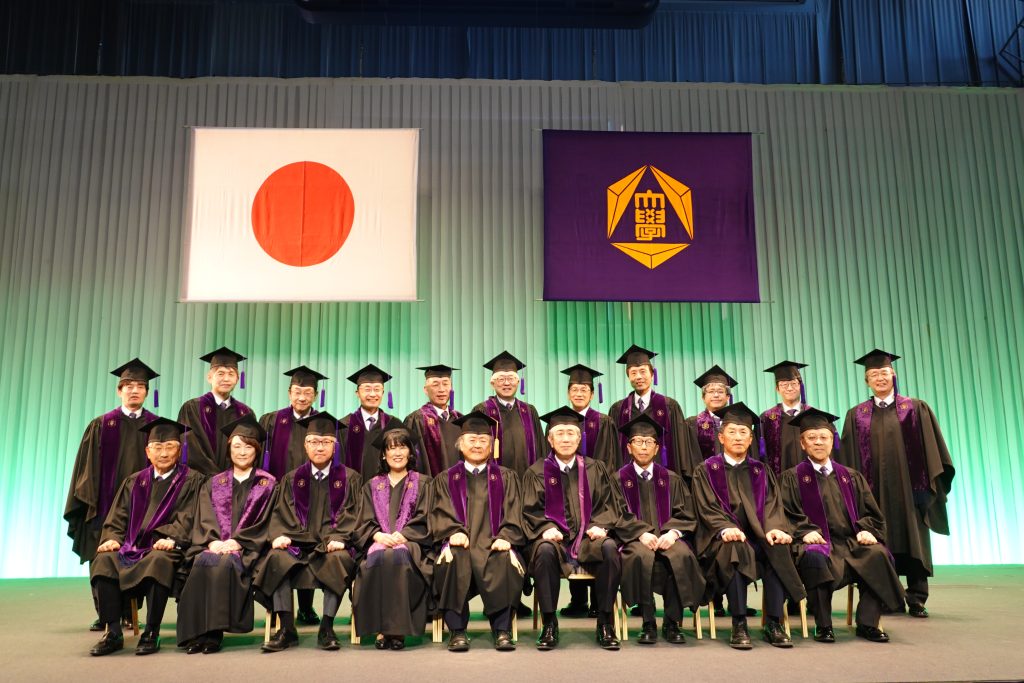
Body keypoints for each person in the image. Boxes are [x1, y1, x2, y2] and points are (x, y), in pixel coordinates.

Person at [837, 349, 955, 618]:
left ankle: (916, 598)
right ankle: (886, 596)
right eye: (873, 375)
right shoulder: (857, 415)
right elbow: (848, 458)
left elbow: (932, 449)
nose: (879, 378)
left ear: (894, 374)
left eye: (883, 373)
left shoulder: (915, 408)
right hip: (873, 492)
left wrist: (928, 487)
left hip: (909, 490)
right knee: (878, 540)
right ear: (867, 381)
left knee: (913, 538)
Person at [779, 408, 905, 643]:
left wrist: (868, 529)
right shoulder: (791, 478)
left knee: (877, 553)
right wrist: (804, 532)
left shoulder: (851, 477)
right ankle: (823, 625)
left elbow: (873, 513)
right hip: (816, 542)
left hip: (851, 541)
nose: (818, 442)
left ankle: (868, 623)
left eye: (823, 437)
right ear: (802, 443)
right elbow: (783, 514)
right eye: (812, 438)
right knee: (814, 557)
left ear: (832, 440)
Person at [691, 402, 806, 650]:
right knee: (736, 547)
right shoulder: (707, 470)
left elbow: (772, 506)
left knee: (777, 546)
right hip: (720, 542)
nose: (738, 437)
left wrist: (776, 528)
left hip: (758, 537)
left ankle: (773, 622)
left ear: (751, 437)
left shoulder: (760, 470)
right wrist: (724, 528)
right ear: (721, 437)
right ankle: (739, 622)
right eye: (732, 432)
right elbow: (706, 508)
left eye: (744, 432)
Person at [88, 418, 205, 656]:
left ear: (180, 449)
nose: (163, 453)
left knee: (159, 561)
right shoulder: (134, 481)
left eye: (170, 446)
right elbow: (117, 518)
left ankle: (152, 631)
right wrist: (112, 538)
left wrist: (172, 537)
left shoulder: (192, 480)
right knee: (103, 560)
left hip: (167, 547)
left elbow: (191, 516)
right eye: (157, 448)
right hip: (131, 547)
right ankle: (112, 631)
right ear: (147, 452)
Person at [64, 358, 160, 631]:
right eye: (128, 386)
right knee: (102, 556)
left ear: (146, 392)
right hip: (104, 506)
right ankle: (107, 613)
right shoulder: (102, 425)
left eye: (140, 386)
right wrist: (91, 500)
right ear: (119, 391)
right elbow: (87, 469)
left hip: (142, 508)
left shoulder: (155, 427)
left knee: (138, 554)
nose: (134, 391)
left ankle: (131, 611)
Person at [255, 412, 361, 652]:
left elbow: (354, 516)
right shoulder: (292, 479)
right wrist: (279, 535)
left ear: (335, 446)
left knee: (340, 559)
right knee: (277, 557)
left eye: (326, 442)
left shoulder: (350, 479)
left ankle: (327, 627)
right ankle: (286, 629)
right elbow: (279, 514)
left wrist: (340, 539)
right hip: (297, 546)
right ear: (305, 445)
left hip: (330, 546)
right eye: (314, 441)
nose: (320, 447)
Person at [521, 407, 623, 650]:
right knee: (544, 551)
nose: (565, 439)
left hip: (589, 537)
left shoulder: (595, 468)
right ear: (550, 439)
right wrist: (545, 528)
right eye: (560, 434)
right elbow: (528, 510)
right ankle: (549, 622)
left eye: (571, 434)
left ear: (579, 438)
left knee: (609, 548)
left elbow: (610, 503)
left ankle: (604, 621)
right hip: (554, 540)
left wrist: (601, 525)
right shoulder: (536, 472)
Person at [176, 414, 277, 653]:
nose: (242, 452)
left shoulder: (269, 484)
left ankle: (214, 634)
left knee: (224, 564)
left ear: (257, 451)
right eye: (237, 446)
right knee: (203, 560)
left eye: (248, 447)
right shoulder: (215, 482)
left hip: (249, 549)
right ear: (229, 448)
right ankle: (196, 633)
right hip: (215, 545)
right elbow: (204, 516)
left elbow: (268, 522)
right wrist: (211, 542)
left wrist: (238, 542)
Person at [430, 411, 526, 652]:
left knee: (502, 558)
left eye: (483, 440)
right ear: (460, 444)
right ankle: (457, 630)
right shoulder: (445, 479)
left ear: (492, 445)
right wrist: (452, 531)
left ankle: (502, 630)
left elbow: (514, 512)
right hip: (461, 543)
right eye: (471, 440)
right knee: (455, 557)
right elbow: (439, 512)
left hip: (494, 542)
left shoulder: (506, 477)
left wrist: (506, 536)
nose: (477, 445)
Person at [614, 413, 706, 645]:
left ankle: (672, 622)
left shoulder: (671, 479)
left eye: (649, 443)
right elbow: (615, 514)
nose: (643, 447)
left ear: (656, 449)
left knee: (681, 554)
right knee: (639, 556)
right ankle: (648, 622)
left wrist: (672, 533)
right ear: (629, 447)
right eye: (638, 442)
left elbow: (685, 513)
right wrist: (640, 533)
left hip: (667, 538)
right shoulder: (618, 479)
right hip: (636, 540)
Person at [257, 364, 328, 625]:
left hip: (313, 495)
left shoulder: (322, 422)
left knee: (309, 543)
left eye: (307, 392)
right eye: (297, 391)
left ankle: (306, 608)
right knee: (282, 547)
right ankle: (279, 607)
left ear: (315, 395)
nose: (301, 397)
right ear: (289, 392)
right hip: (278, 498)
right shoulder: (271, 420)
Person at [351, 428, 433, 650]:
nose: (397, 453)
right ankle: (381, 629)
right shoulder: (372, 485)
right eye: (391, 448)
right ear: (383, 455)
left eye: (402, 447)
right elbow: (361, 521)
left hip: (411, 544)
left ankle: (396, 631)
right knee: (378, 556)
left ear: (410, 452)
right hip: (378, 541)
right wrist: (377, 535)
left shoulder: (423, 483)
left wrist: (404, 535)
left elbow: (427, 517)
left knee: (397, 557)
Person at [558, 363, 619, 618]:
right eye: (575, 389)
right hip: (566, 491)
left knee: (594, 539)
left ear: (592, 394)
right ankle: (578, 600)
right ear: (568, 393)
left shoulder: (603, 422)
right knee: (572, 535)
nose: (579, 393)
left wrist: (599, 484)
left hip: (596, 490)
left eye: (584, 389)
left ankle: (597, 601)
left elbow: (610, 459)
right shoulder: (560, 421)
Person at [608, 345, 698, 482]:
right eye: (633, 373)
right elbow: (612, 450)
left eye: (643, 371)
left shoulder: (670, 407)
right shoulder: (618, 409)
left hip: (664, 479)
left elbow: (681, 447)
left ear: (652, 374)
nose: (638, 377)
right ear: (628, 377)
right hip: (627, 481)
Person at [177, 347, 253, 475]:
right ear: (209, 377)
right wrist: (217, 478)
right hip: (200, 482)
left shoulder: (245, 413)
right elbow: (192, 449)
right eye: (220, 373)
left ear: (238, 379)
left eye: (231, 374)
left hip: (235, 484)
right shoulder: (193, 408)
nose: (226, 379)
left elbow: (250, 451)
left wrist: (231, 479)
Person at [759, 361, 840, 477]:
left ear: (800, 386)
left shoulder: (816, 416)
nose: (789, 388)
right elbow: (762, 455)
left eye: (794, 383)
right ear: (777, 389)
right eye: (784, 385)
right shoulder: (767, 418)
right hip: (780, 481)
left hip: (815, 480)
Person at [472, 351, 544, 478]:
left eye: (511, 379)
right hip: (493, 482)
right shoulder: (483, 411)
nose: (506, 383)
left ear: (518, 382)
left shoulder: (529, 411)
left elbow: (540, 449)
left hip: (527, 483)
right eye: (501, 379)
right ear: (492, 383)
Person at [340, 364, 403, 476]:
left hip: (387, 490)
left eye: (377, 389)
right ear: (357, 393)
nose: (373, 394)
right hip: (353, 490)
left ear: (383, 393)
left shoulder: (393, 424)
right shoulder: (344, 425)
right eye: (367, 389)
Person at [403, 364, 462, 476]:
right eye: (435, 385)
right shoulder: (416, 420)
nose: (441, 389)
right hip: (429, 487)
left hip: (459, 486)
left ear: (451, 388)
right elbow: (411, 461)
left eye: (445, 384)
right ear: (425, 390)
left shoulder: (460, 419)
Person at [686, 364, 739, 461]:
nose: (716, 395)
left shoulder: (738, 422)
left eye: (720, 391)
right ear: (703, 397)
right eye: (711, 391)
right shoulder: (692, 424)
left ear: (728, 397)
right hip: (704, 475)